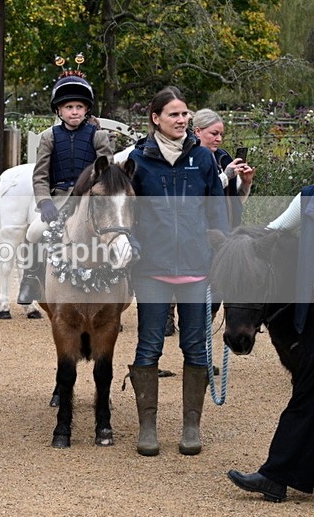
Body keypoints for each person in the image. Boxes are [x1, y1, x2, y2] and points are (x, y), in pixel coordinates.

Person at [126, 86, 229, 457]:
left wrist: (219, 250)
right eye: (174, 114)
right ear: (156, 118)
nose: (182, 120)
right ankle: (147, 427)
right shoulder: (138, 159)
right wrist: (131, 247)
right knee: (149, 345)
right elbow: (127, 213)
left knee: (195, 346)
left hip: (195, 267)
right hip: (151, 268)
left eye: (185, 114)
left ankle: (191, 426)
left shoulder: (202, 158)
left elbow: (216, 210)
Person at [227, 186, 314, 502]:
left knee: (306, 398)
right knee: (307, 394)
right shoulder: (308, 197)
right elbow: (272, 232)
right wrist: (236, 250)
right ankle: (276, 476)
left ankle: (276, 476)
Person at [17, 71, 114, 304]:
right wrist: (44, 202)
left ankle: (119, 279)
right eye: (69, 107)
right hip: (58, 201)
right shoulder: (49, 137)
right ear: (59, 110)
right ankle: (31, 279)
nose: (74, 112)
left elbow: (107, 174)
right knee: (33, 232)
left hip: (89, 201)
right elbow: (40, 175)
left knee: (116, 232)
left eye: (79, 107)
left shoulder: (98, 136)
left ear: (86, 109)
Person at [164, 109, 256, 336]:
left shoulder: (223, 157)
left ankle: (203, 326)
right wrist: (225, 176)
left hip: (222, 232)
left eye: (221, 134)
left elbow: (234, 201)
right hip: (191, 230)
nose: (219, 139)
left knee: (217, 282)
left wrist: (245, 183)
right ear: (197, 131)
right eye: (214, 133)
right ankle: (169, 312)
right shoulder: (186, 157)